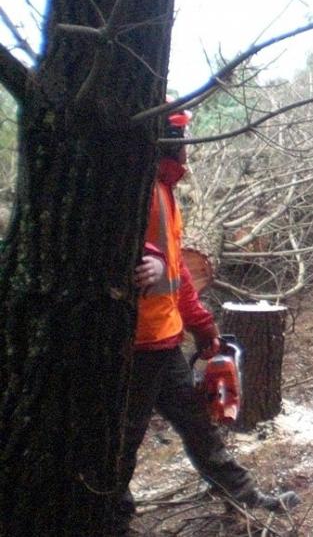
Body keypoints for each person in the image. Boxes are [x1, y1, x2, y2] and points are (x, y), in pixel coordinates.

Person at [116, 106, 299, 535]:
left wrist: (204, 327)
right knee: (123, 442)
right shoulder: (135, 190)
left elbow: (176, 276)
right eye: (182, 137)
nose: (186, 149)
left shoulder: (164, 193)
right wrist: (150, 265)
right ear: (169, 140)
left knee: (199, 427)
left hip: (163, 341)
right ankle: (112, 519)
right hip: (135, 347)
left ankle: (245, 496)